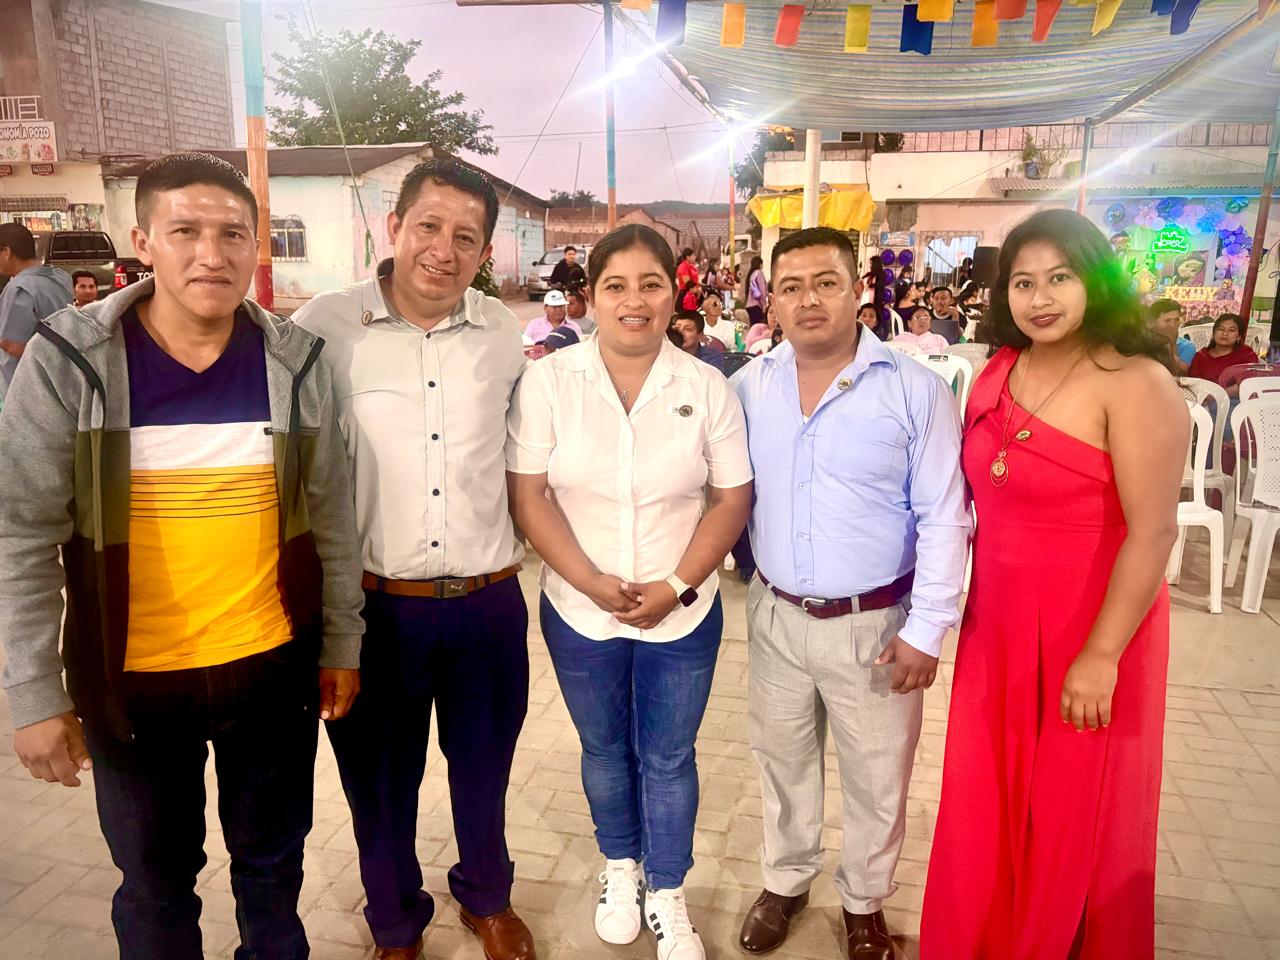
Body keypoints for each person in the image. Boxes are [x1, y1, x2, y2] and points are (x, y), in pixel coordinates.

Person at [0, 152, 365, 959]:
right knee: (157, 887)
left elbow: (333, 518)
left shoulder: (296, 362)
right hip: (131, 685)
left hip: (270, 671)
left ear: (255, 245)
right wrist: (33, 691)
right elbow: (20, 533)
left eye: (233, 234)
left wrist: (342, 642)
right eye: (186, 231)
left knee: (273, 869)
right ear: (143, 242)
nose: (212, 254)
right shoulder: (72, 361)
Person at [921, 209, 1189, 960]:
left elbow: (1154, 533)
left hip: (1094, 625)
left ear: (1096, 281)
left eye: (1060, 278)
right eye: (1023, 282)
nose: (1040, 299)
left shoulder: (1136, 383)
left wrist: (1102, 655)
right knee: (989, 794)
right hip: (999, 625)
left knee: (1072, 806)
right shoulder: (998, 371)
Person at [293, 157, 537, 960]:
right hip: (374, 606)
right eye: (429, 226)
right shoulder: (323, 327)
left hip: (486, 601)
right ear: (393, 226)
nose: (444, 249)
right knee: (379, 782)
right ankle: (395, 921)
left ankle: (487, 896)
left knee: (485, 769)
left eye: (467, 237)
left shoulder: (502, 332)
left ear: (486, 253)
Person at [506, 223, 753, 960]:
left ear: (675, 293)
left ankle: (668, 889)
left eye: (651, 284)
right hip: (578, 610)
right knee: (605, 747)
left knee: (669, 756)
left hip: (683, 613)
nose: (634, 300)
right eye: (616, 285)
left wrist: (676, 585)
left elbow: (731, 499)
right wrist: (591, 583)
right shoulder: (550, 380)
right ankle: (621, 866)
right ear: (592, 295)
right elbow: (530, 496)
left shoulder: (706, 385)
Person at [733, 227, 969, 960]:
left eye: (826, 282)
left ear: (858, 290)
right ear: (772, 300)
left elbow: (946, 515)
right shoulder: (749, 387)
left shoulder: (913, 389)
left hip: (877, 626)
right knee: (782, 760)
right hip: (775, 614)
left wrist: (927, 629)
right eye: (791, 287)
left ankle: (864, 902)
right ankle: (786, 880)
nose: (809, 300)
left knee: (877, 776)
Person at [0, 222, 73, 402]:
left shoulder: (18, 289)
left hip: (23, 388)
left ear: (7, 252)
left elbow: (13, 344)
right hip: (61, 377)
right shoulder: (61, 277)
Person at [1187, 312, 1259, 388]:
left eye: (1231, 330)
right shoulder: (1200, 356)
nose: (1225, 334)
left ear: (1239, 336)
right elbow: (1193, 383)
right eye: (1221, 329)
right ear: (1213, 333)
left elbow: (1249, 381)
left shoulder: (1246, 354)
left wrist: (1223, 393)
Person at [1148, 297, 1195, 374]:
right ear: (1153, 322)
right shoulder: (1142, 343)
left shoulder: (1186, 346)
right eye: (1167, 320)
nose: (1173, 325)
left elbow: (1181, 373)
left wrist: (1172, 345)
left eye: (1176, 320)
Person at [745, 255, 768, 327]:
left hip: (749, 305)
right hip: (757, 305)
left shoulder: (751, 274)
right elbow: (762, 289)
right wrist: (764, 304)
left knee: (754, 328)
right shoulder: (759, 273)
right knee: (760, 327)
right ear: (760, 264)